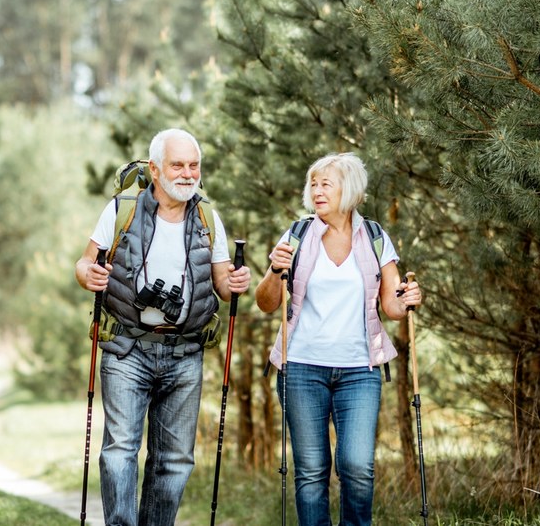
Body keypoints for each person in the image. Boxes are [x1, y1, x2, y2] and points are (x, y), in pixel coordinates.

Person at [75, 128, 251, 526]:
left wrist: (235, 282)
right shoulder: (123, 209)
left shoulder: (208, 216)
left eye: (194, 165)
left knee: (174, 460)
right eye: (178, 165)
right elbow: (83, 263)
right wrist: (90, 276)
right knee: (120, 449)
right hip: (126, 348)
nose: (188, 173)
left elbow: (222, 282)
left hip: (185, 352)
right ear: (155, 169)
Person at [255, 152, 423, 526]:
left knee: (357, 466)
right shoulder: (297, 235)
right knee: (312, 471)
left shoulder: (375, 236)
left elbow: (393, 306)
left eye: (325, 183)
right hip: (301, 368)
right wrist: (274, 269)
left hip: (359, 370)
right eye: (312, 184)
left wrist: (409, 298)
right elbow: (266, 303)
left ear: (349, 189)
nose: (316, 190)